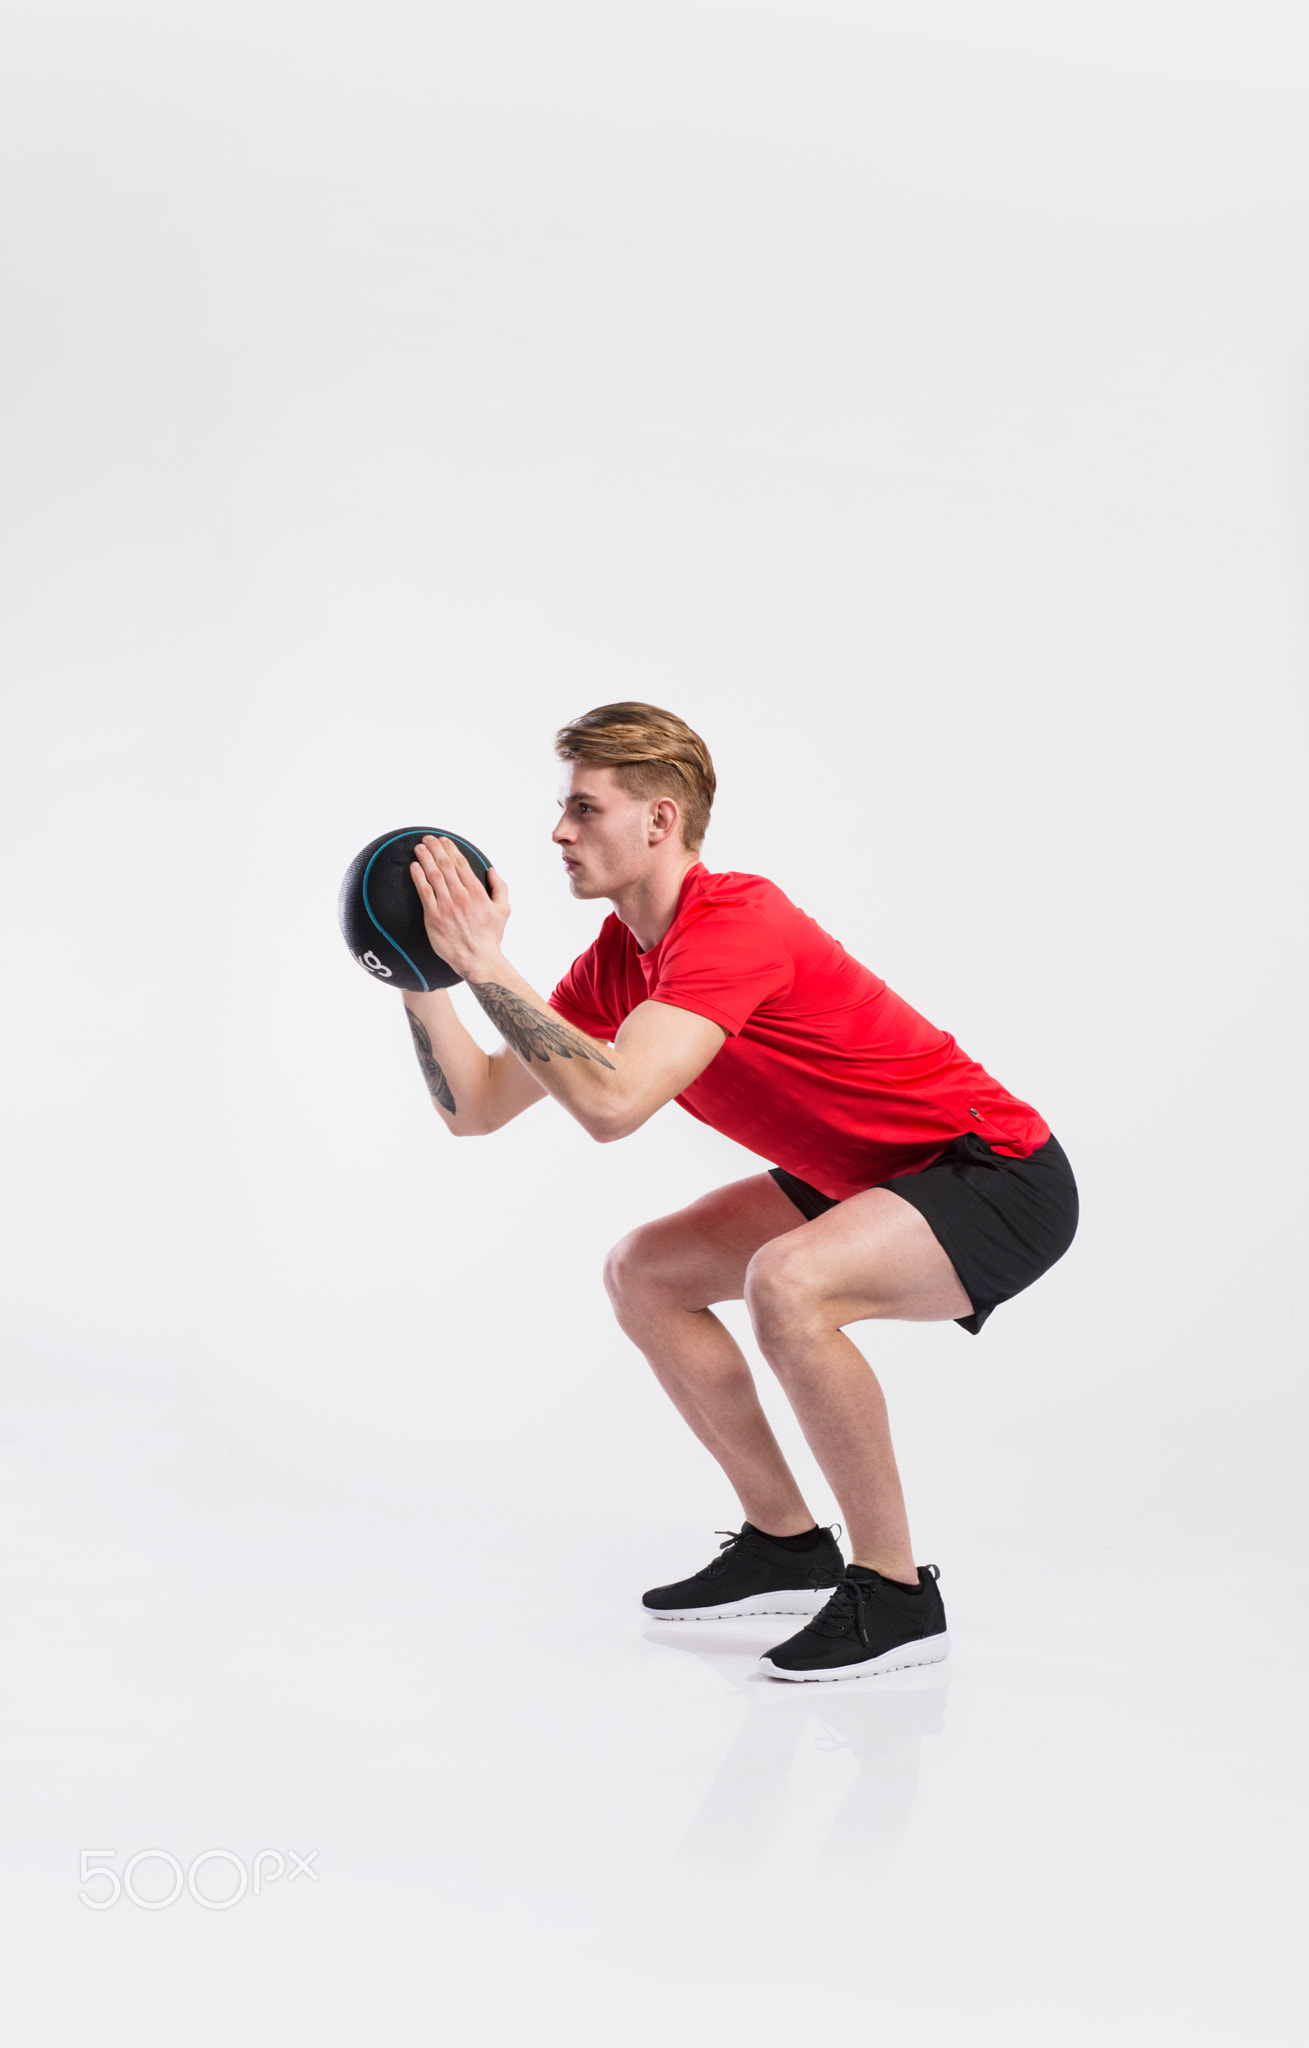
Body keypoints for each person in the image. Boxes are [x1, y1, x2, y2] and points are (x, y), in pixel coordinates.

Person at [398, 703, 1078, 1682]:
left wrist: (486, 961)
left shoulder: (734, 920)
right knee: (648, 1271)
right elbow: (477, 1106)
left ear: (659, 820)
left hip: (993, 1172)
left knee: (787, 1282)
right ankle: (785, 1540)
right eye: (563, 807)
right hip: (865, 1173)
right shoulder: (618, 961)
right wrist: (421, 972)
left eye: (585, 808)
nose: (558, 832)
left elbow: (615, 1102)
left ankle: (894, 1593)